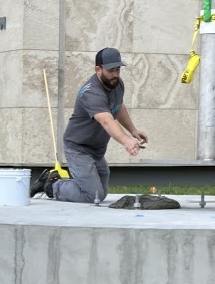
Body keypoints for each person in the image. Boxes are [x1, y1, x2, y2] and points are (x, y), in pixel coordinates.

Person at [33, 47, 147, 204]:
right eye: (110, 70)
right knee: (92, 195)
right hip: (78, 148)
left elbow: (118, 106)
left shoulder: (117, 84)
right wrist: (127, 142)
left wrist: (133, 130)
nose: (115, 74)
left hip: (97, 150)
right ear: (98, 70)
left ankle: (72, 183)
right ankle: (51, 185)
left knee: (100, 194)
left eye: (118, 69)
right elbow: (107, 120)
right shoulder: (91, 92)